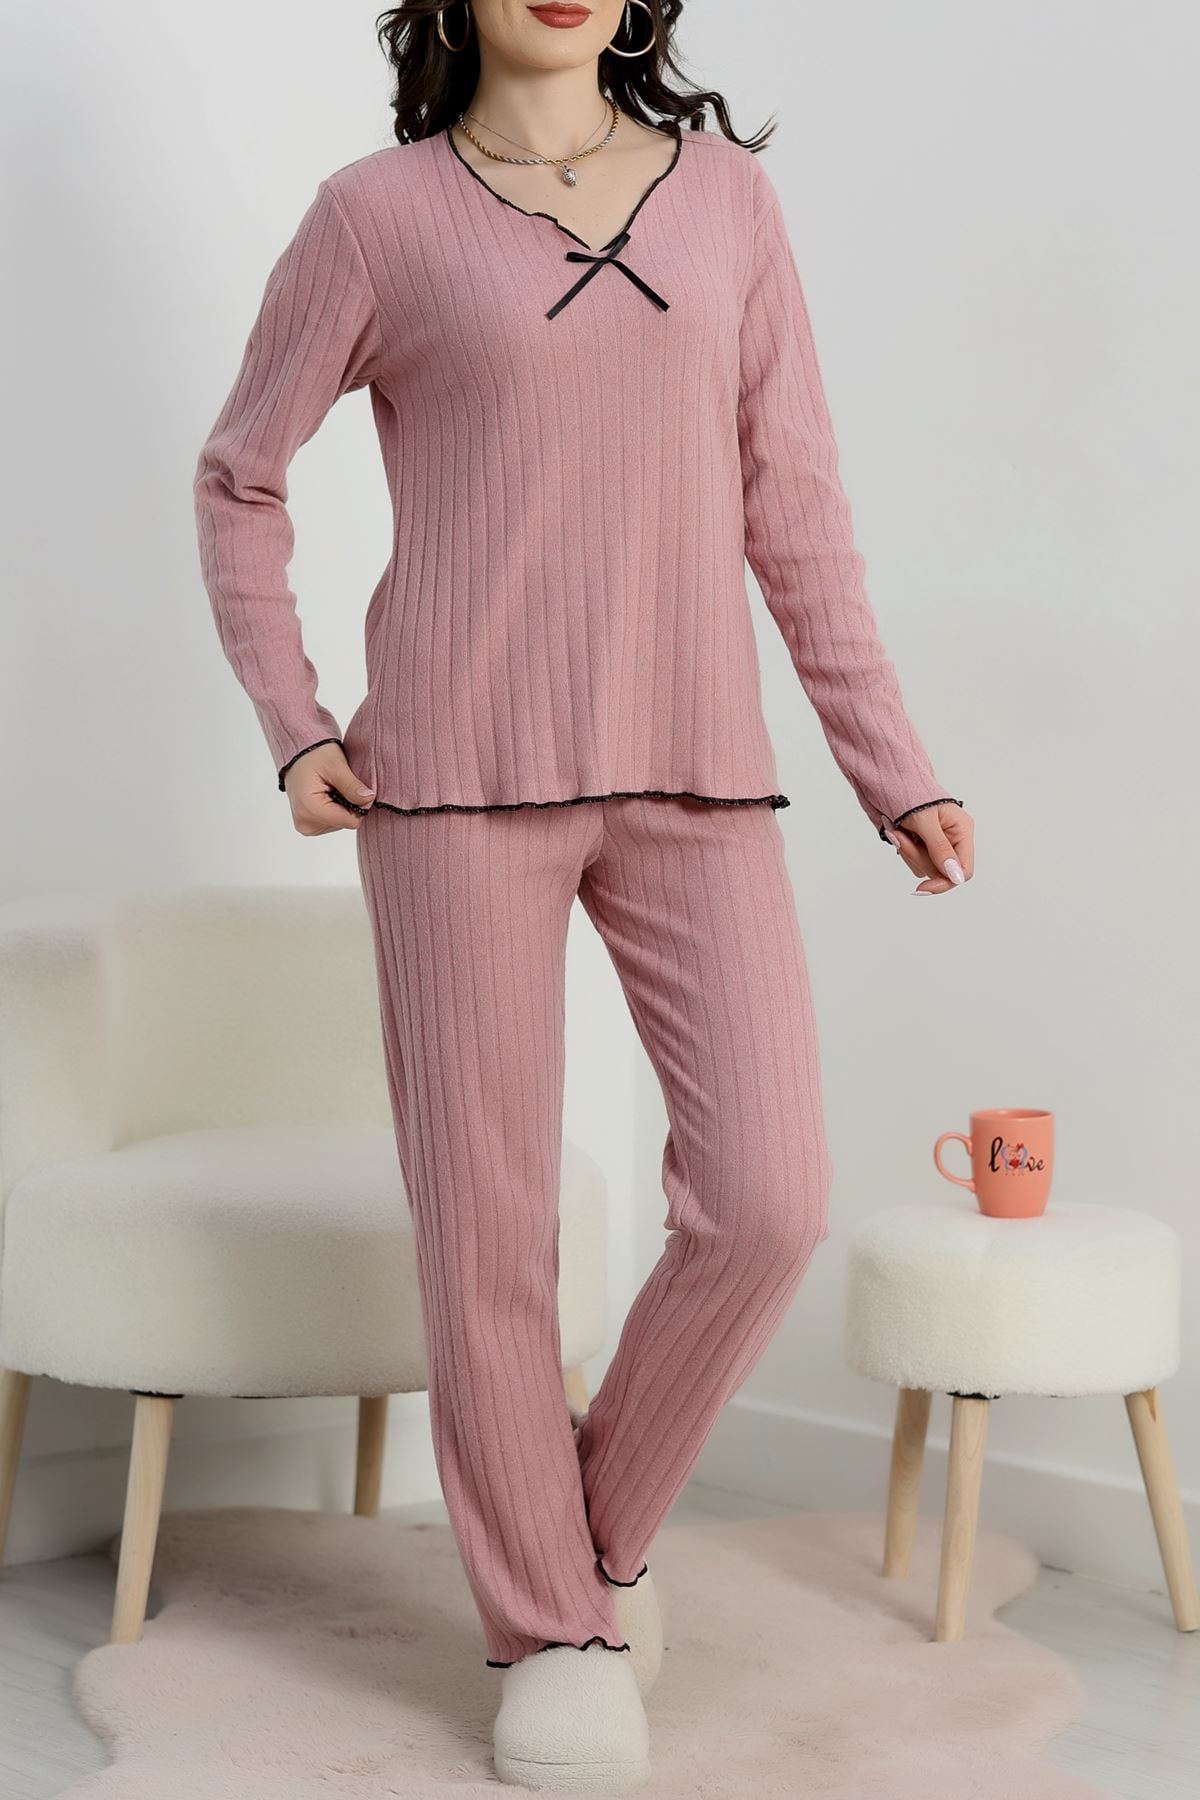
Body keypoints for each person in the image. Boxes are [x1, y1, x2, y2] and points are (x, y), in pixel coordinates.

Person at [192, 1, 974, 1789]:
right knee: (491, 1235)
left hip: (698, 768)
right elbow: (241, 476)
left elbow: (797, 502)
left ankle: (593, 1552)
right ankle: (551, 1630)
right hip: (448, 779)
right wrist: (294, 722)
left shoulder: (729, 203)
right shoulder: (375, 215)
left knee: (768, 1198)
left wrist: (895, 766)